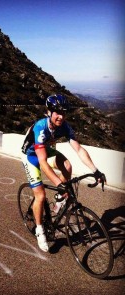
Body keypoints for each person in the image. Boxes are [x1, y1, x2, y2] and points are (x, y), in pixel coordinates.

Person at [21, 94, 106, 252]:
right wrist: (59, 184)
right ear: (49, 112)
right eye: (57, 112)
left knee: (67, 165)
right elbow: (43, 162)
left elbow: (79, 149)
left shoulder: (65, 127)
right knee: (40, 196)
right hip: (32, 157)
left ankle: (60, 198)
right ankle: (40, 231)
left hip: (46, 151)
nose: (61, 116)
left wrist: (96, 171)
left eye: (64, 113)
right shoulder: (41, 127)